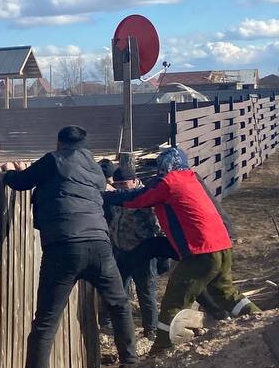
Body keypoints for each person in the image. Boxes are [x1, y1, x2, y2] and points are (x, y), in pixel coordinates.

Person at [1, 125, 138, 368]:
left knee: (46, 320)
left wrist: (9, 172)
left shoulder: (53, 160)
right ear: (84, 145)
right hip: (99, 244)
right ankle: (130, 364)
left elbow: (22, 183)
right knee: (119, 304)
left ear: (59, 142)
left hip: (64, 246)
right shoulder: (95, 169)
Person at [108, 147, 259, 352]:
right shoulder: (191, 178)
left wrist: (106, 196)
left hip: (201, 250)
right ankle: (259, 318)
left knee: (175, 300)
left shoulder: (169, 182)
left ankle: (162, 346)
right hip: (222, 245)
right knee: (226, 293)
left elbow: (137, 199)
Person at [108, 164, 165, 339]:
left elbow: (158, 226)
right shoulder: (117, 197)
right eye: (117, 185)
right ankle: (120, 328)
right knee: (119, 292)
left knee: (146, 292)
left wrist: (160, 256)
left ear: (134, 181)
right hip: (121, 251)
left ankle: (151, 330)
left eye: (124, 184)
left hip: (142, 253)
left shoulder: (146, 197)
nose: (121, 188)